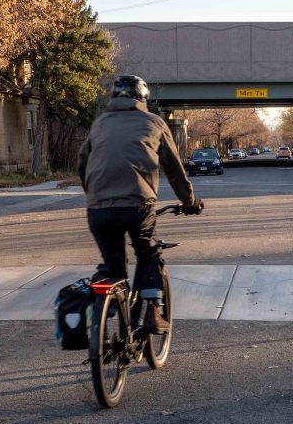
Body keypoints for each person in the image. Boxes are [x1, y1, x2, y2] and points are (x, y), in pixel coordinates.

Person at [78, 75, 203, 334]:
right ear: (142, 98)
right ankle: (152, 314)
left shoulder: (100, 123)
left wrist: (94, 195)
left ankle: (104, 307)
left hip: (98, 208)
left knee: (112, 266)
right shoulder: (154, 122)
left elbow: (83, 163)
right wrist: (189, 202)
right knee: (148, 253)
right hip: (137, 205)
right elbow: (174, 169)